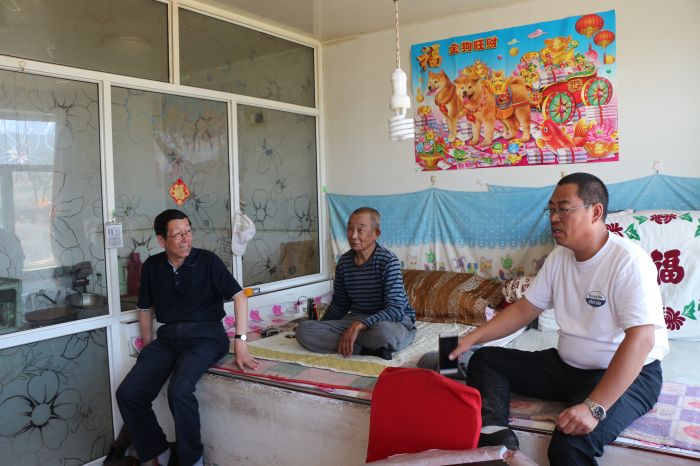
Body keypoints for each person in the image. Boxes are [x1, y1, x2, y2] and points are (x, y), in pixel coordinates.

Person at [449, 173, 668, 466]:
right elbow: (524, 309)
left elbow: (642, 339)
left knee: (568, 447)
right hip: (567, 369)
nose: (553, 218)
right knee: (486, 359)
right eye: (551, 210)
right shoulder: (558, 258)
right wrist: (470, 339)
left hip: (626, 374)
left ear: (595, 212)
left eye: (563, 209)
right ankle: (495, 436)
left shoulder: (628, 261)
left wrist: (594, 408)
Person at [116, 209, 258, 466]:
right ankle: (158, 452)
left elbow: (239, 296)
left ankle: (192, 460)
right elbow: (145, 308)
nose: (185, 239)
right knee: (128, 393)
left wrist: (241, 341)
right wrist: (148, 348)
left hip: (206, 336)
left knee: (179, 390)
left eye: (188, 232)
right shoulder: (153, 266)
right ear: (161, 240)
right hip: (168, 338)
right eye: (178, 234)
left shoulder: (207, 261)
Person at [296, 207, 416, 360]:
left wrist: (359, 325)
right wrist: (322, 326)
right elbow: (340, 305)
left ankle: (360, 342)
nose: (353, 236)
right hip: (356, 319)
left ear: (376, 233)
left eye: (360, 230)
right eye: (350, 229)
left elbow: (395, 310)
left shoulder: (388, 261)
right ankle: (367, 349)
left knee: (384, 334)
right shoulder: (344, 263)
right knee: (304, 330)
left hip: (389, 322)